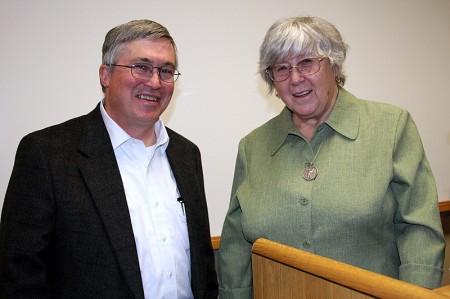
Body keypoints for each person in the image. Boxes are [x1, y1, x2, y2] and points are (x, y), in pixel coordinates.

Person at [218, 16, 445, 298]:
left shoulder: (391, 127)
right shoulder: (252, 147)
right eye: (282, 68)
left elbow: (419, 230)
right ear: (272, 80)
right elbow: (235, 247)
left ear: (334, 64)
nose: (296, 78)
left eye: (307, 62)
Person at [0, 19, 218, 299]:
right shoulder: (47, 154)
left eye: (166, 71)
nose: (154, 82)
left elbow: (202, 265)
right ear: (105, 74)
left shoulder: (187, 155)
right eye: (141, 66)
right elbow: (19, 276)